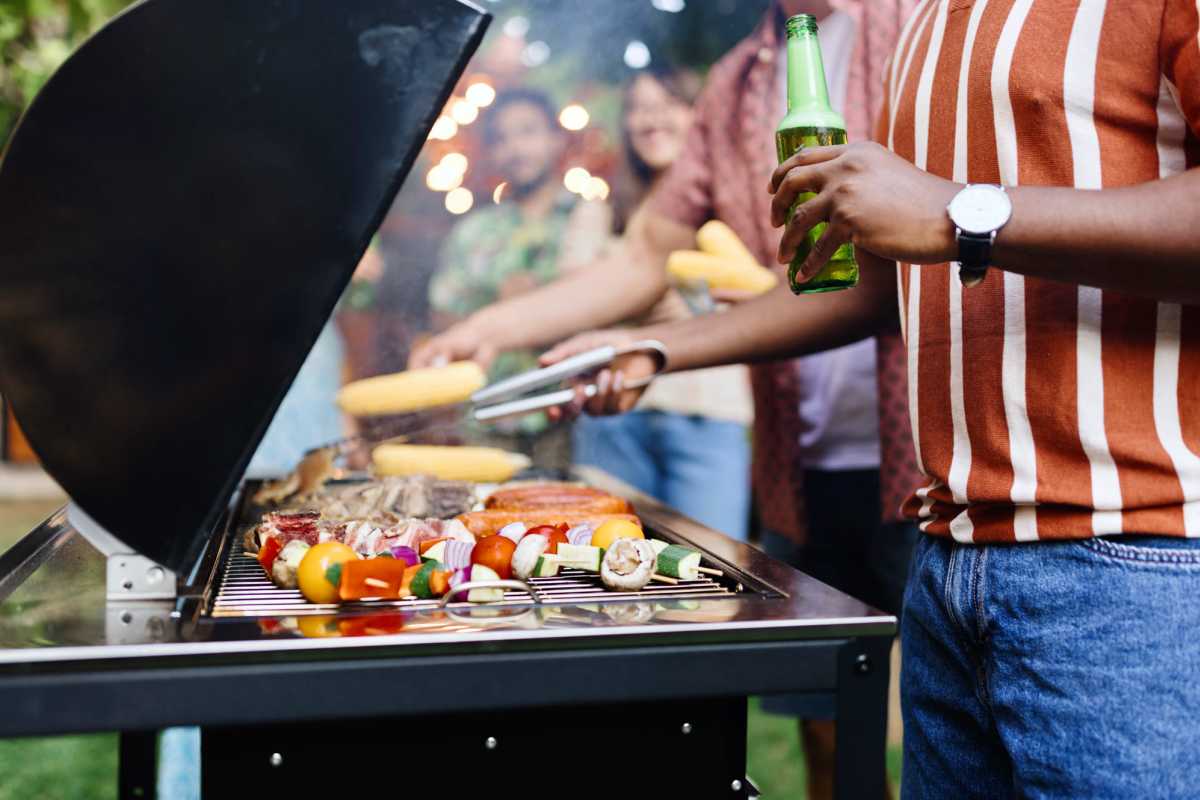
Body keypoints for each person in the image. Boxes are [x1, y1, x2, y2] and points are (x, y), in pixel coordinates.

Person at [549, 1, 1200, 796]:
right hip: (951, 557)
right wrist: (653, 349)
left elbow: (951, 223)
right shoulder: (927, 22)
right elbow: (886, 281)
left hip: (1138, 565)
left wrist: (961, 212)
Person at [412, 3, 920, 796]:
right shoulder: (736, 80)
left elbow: (896, 280)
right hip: (801, 460)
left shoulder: (917, 31)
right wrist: (491, 326)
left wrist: (653, 351)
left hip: (919, 461)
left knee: (925, 737)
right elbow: (651, 249)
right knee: (828, 731)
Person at [417, 66, 755, 539]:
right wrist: (487, 326)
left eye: (667, 104)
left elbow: (771, 295)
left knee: (713, 559)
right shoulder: (600, 209)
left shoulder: (742, 207)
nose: (650, 119)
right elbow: (598, 293)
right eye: (638, 107)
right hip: (613, 410)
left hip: (705, 410)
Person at [425, 88, 610, 471]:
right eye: (502, 138)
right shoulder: (473, 231)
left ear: (556, 139)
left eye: (527, 131)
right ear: (492, 152)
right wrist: (497, 310)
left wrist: (542, 307)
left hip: (568, 415)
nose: (516, 148)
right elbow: (441, 318)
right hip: (487, 415)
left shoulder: (589, 219)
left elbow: (614, 306)